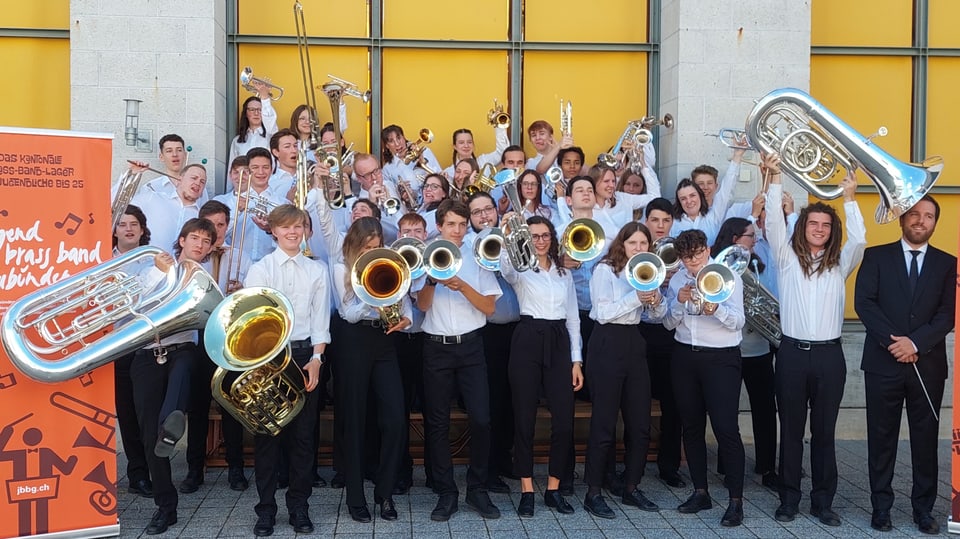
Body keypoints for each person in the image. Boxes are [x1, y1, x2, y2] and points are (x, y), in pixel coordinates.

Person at [763, 153, 865, 527]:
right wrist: (775, 178)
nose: (819, 229)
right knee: (790, 431)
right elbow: (773, 223)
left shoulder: (841, 262)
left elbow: (861, 238)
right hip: (791, 354)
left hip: (828, 358)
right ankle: (789, 499)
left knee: (824, 433)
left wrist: (850, 198)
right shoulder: (786, 257)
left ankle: (823, 502)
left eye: (825, 224)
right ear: (802, 227)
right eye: (813, 223)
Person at [855, 195, 956, 534]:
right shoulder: (876, 256)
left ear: (934, 223)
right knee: (881, 439)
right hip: (883, 363)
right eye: (914, 214)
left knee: (925, 441)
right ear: (902, 218)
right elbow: (864, 304)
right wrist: (895, 343)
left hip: (927, 367)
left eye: (928, 216)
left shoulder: (948, 264)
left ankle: (923, 510)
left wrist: (915, 343)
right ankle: (880, 508)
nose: (920, 221)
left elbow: (947, 314)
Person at [244, 204, 331, 537]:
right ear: (274, 231)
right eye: (286, 227)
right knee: (267, 438)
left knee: (303, 439)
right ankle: (265, 510)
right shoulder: (260, 269)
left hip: (306, 355)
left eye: (299, 227)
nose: (293, 232)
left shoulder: (317, 270)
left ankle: (299, 507)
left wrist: (317, 360)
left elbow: (321, 321)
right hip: (269, 359)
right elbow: (253, 322)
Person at [130, 218, 217, 535]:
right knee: (151, 437)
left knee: (183, 372)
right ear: (181, 240)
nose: (199, 244)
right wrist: (157, 270)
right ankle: (166, 509)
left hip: (182, 349)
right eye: (194, 237)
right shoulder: (153, 268)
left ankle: (171, 422)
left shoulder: (203, 279)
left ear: (210, 248)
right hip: (147, 352)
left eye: (206, 241)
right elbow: (136, 306)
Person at [417, 199, 502, 522]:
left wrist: (463, 285)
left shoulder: (478, 256)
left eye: (462, 225)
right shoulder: (425, 256)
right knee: (437, 423)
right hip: (436, 347)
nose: (457, 230)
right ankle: (446, 492)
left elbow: (490, 308)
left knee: (481, 418)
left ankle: (477, 489)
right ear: (439, 226)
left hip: (471, 347)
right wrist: (431, 281)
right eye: (451, 224)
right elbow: (422, 307)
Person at [498, 214, 582, 518]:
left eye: (545, 235)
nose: (540, 241)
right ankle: (527, 489)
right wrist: (507, 228)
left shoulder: (564, 273)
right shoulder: (521, 271)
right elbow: (505, 266)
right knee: (524, 418)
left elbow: (573, 318)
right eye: (534, 236)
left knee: (564, 420)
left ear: (553, 238)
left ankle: (554, 489)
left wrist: (576, 360)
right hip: (527, 338)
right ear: (526, 239)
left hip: (559, 340)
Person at [663, 229, 746, 527]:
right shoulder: (677, 280)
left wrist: (717, 308)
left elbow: (739, 322)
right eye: (686, 258)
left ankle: (735, 501)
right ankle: (701, 492)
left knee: (726, 429)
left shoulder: (727, 276)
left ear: (708, 250)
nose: (692, 263)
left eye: (697, 255)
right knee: (692, 427)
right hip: (685, 355)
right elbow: (669, 324)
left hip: (721, 358)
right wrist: (679, 302)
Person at [582, 221, 664, 519]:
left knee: (640, 423)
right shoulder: (606, 270)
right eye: (633, 244)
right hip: (607, 343)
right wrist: (636, 297)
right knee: (604, 424)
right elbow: (602, 313)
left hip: (634, 343)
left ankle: (631, 486)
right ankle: (593, 491)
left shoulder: (649, 270)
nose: (639, 249)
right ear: (623, 244)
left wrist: (655, 301)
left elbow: (659, 315)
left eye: (644, 244)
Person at [332, 217, 410, 523]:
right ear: (355, 244)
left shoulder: (390, 262)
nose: (373, 251)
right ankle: (355, 498)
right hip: (354, 341)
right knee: (354, 420)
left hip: (385, 339)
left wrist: (405, 319)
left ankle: (385, 493)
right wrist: (372, 299)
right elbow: (348, 314)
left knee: (395, 420)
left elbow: (404, 305)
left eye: (377, 246)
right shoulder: (342, 268)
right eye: (368, 246)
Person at [179, 201, 252, 495]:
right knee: (196, 410)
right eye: (210, 224)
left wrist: (240, 291)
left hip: (227, 342)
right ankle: (194, 469)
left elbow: (252, 297)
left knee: (231, 406)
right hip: (197, 342)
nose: (215, 230)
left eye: (221, 225)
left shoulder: (240, 256)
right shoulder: (192, 259)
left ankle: (236, 468)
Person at [711, 217, 779, 489]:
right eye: (751, 236)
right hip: (728, 350)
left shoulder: (758, 265)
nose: (755, 240)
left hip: (759, 349)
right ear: (735, 238)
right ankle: (729, 466)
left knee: (764, 409)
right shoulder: (718, 267)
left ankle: (766, 466)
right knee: (727, 411)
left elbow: (770, 299)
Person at [466, 192, 519, 493]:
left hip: (517, 331)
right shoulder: (469, 246)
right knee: (491, 403)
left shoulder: (511, 237)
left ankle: (505, 458)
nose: (485, 216)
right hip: (486, 333)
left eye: (488, 209)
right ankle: (487, 469)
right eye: (477, 213)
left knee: (513, 399)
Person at [638, 197, 686, 490]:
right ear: (647, 221)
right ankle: (635, 465)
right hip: (641, 331)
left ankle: (669, 466)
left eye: (665, 220)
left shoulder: (678, 255)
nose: (660, 225)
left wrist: (671, 282)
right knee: (638, 401)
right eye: (655, 220)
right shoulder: (637, 250)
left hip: (670, 334)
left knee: (673, 402)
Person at [111, 205, 153, 499]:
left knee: (146, 415)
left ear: (142, 229)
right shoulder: (101, 261)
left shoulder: (153, 261)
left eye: (134, 224)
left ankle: (155, 470)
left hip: (146, 344)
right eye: (123, 224)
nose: (128, 229)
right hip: (115, 346)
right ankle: (137, 474)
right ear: (114, 230)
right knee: (126, 413)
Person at [669, 147, 745, 244]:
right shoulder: (673, 222)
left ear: (699, 195)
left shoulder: (714, 215)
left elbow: (727, 188)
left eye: (692, 195)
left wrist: (737, 156)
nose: (689, 201)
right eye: (683, 198)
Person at [129, 163, 208, 255]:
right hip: (147, 266)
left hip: (180, 268)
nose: (198, 183)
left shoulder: (200, 218)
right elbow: (118, 204)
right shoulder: (153, 198)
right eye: (194, 178)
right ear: (180, 179)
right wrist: (131, 175)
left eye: (202, 182)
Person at [228, 86, 278, 169]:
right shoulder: (237, 141)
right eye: (252, 109)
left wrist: (265, 98)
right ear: (246, 113)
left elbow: (271, 122)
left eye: (260, 110)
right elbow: (232, 170)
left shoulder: (271, 135)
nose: (256, 113)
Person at [442, 127, 509, 179]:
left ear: (473, 145)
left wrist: (499, 126)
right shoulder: (448, 172)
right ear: (455, 146)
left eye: (469, 142)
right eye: (461, 142)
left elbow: (503, 152)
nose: (466, 146)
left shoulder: (484, 161)